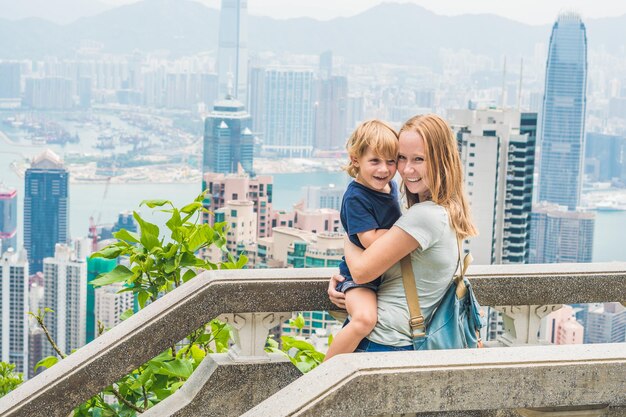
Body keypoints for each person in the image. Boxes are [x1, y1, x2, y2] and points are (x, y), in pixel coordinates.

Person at [327, 114, 478, 352]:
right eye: (402, 158)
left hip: (384, 341)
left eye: (419, 159)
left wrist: (348, 235)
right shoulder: (447, 208)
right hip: (399, 338)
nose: (407, 169)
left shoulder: (423, 216)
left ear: (441, 160)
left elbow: (362, 271)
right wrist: (347, 283)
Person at [323, 119, 401, 361]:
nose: (384, 170)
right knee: (364, 320)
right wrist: (408, 231)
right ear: (356, 160)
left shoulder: (391, 187)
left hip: (386, 275)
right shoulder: (356, 197)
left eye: (391, 161)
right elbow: (369, 241)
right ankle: (322, 375)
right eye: (375, 161)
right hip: (360, 278)